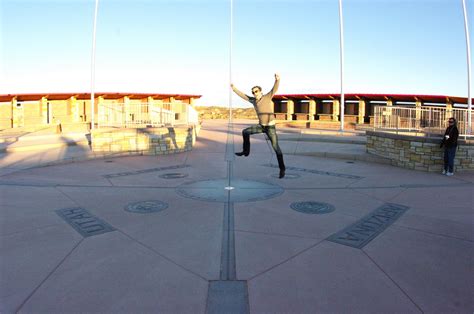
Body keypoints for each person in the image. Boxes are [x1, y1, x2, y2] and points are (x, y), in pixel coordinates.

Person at [231, 74, 286, 178]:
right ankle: (246, 151)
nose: (254, 93)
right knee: (245, 132)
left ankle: (282, 169)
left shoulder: (267, 97)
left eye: (256, 91)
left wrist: (277, 80)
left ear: (260, 91)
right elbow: (243, 95)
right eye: (253, 92)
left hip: (270, 127)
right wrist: (234, 89)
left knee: (276, 148)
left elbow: (275, 89)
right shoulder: (253, 100)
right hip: (261, 126)